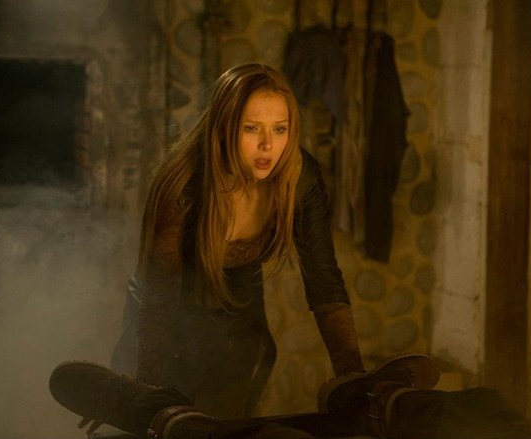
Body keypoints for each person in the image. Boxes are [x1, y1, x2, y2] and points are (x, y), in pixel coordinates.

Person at [108, 62, 372, 421]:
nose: (268, 145)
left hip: (239, 300)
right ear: (224, 128)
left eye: (280, 129)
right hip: (163, 306)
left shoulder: (300, 178)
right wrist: (145, 390)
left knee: (227, 416)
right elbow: (161, 294)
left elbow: (324, 281)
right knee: (158, 413)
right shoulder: (184, 180)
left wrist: (353, 379)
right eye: (251, 128)